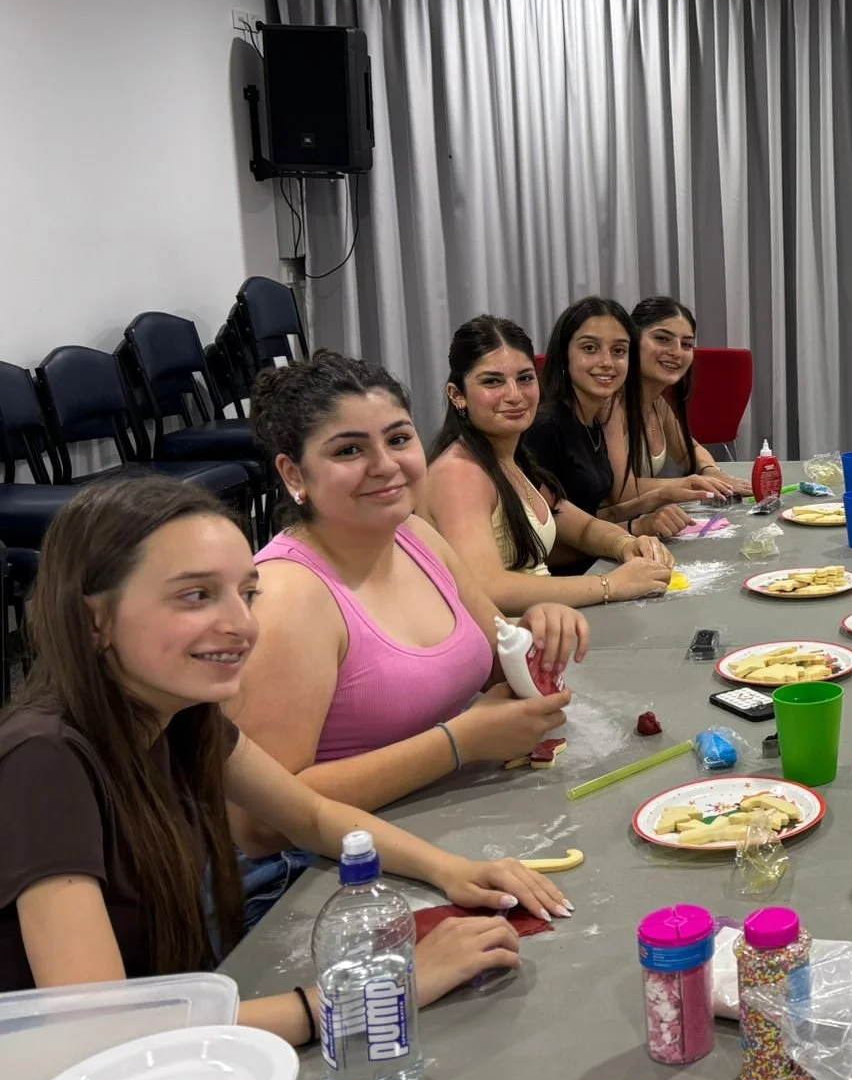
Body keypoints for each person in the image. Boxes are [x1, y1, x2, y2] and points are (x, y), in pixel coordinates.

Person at [0, 476, 569, 1040]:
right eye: (196, 595)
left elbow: (313, 817)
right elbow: (103, 1032)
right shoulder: (44, 759)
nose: (241, 625)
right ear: (95, 620)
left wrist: (453, 870)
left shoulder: (181, 714)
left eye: (245, 593)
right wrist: (371, 995)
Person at [230, 351, 587, 925]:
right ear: (294, 475)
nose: (384, 465)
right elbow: (262, 822)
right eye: (349, 450)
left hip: (440, 822)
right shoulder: (288, 598)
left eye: (398, 439)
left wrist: (541, 628)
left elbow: (499, 659)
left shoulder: (415, 535)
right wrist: (459, 743)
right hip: (318, 881)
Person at [416, 315, 680, 614]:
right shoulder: (459, 472)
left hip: (543, 630)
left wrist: (626, 544)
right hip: (506, 652)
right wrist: (610, 585)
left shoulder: (510, 459)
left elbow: (583, 528)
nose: (514, 395)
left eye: (525, 378)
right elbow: (489, 588)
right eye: (493, 381)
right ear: (458, 395)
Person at [523, 297, 690, 550]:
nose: (607, 362)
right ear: (564, 353)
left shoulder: (593, 420)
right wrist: (636, 528)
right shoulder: (544, 427)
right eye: (590, 348)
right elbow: (546, 542)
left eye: (619, 351)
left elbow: (591, 518)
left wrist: (659, 499)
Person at [600, 296, 742, 508]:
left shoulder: (657, 403)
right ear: (631, 340)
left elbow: (689, 451)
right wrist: (693, 485)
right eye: (662, 339)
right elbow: (621, 491)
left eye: (686, 344)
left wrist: (711, 472)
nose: (676, 352)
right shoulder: (610, 404)